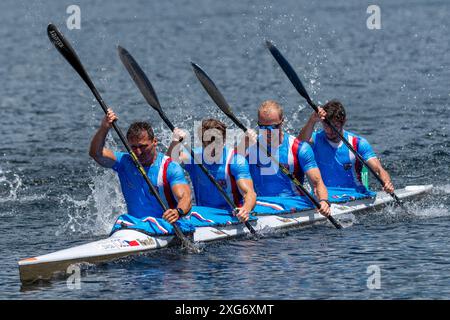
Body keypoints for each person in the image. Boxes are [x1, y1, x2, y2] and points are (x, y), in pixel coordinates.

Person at [89, 108, 192, 223]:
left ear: (155, 142)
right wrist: (104, 128)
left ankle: (175, 143)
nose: (138, 152)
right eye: (133, 147)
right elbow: (95, 153)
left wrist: (178, 211)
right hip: (136, 226)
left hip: (166, 225)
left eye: (143, 146)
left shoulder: (170, 167)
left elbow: (185, 197)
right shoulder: (124, 161)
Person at [241, 100, 331, 217]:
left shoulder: (299, 148)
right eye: (263, 127)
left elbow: (317, 183)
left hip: (293, 203)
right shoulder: (250, 146)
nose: (268, 132)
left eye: (273, 127)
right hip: (259, 203)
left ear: (282, 122)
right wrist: (241, 147)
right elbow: (229, 171)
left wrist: (324, 201)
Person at [167, 118, 256, 222]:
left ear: (224, 139)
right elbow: (167, 164)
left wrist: (245, 209)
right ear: (202, 141)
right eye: (208, 143)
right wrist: (175, 142)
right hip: (203, 215)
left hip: (231, 215)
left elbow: (249, 193)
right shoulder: (194, 158)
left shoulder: (236, 161)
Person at [297, 100, 394, 193]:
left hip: (354, 195)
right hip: (325, 196)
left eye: (334, 126)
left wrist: (386, 183)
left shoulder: (358, 143)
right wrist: (312, 121)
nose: (330, 131)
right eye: (326, 126)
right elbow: (297, 144)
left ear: (343, 122)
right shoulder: (315, 139)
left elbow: (378, 169)